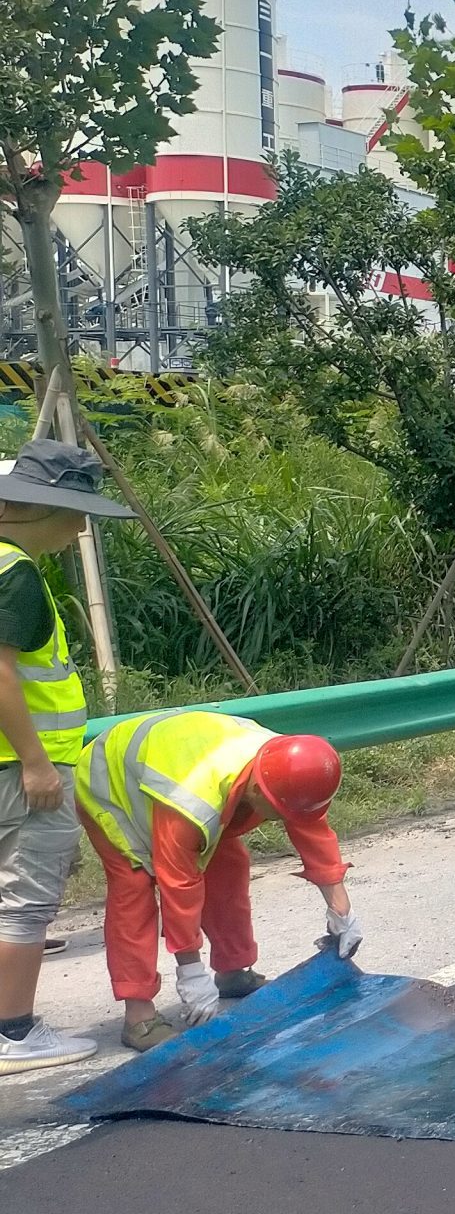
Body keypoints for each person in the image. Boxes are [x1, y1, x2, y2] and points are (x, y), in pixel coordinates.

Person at [76, 713, 356, 1051]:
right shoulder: (191, 801)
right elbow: (178, 883)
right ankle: (139, 1018)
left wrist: (342, 911)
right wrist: (190, 971)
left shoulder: (286, 766)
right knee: (134, 886)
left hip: (177, 762)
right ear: (257, 789)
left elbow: (311, 830)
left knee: (228, 865)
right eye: (280, 813)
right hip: (112, 782)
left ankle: (233, 971)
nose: (284, 821)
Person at [0, 440, 131, 1076]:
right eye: (75, 512)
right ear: (33, 507)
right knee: (24, 901)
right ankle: (14, 1032)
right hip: (22, 770)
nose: (80, 526)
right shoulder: (14, 572)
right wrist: (36, 762)